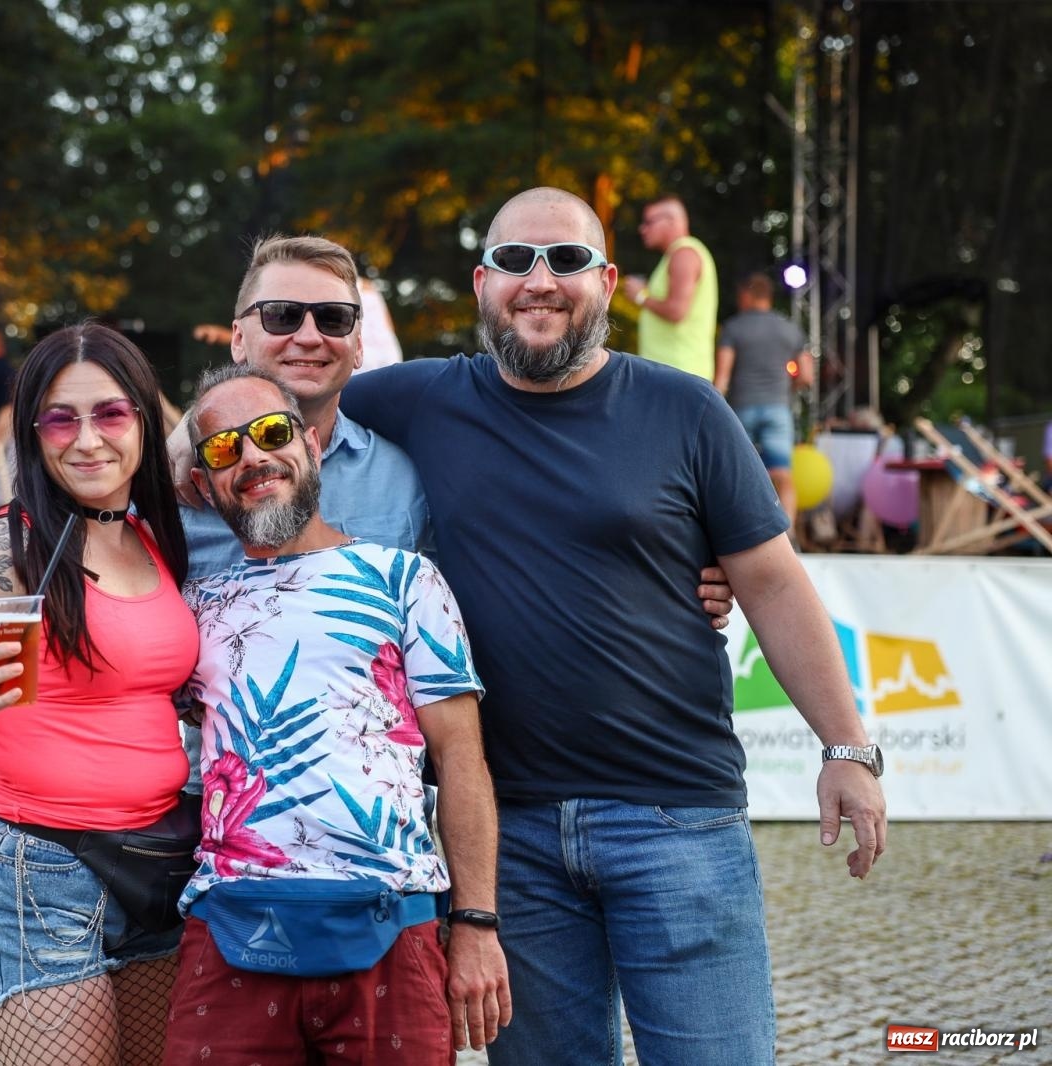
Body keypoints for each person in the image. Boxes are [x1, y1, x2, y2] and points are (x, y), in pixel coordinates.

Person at [340, 187, 888, 1066]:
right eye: (515, 261)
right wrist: (168, 452)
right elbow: (274, 411)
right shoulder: (421, 400)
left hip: (678, 819)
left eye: (566, 260)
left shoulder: (687, 410)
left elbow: (775, 585)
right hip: (509, 835)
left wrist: (847, 747)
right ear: (482, 283)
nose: (539, 281)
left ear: (607, 281)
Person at [161, 364, 509, 1063]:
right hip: (230, 922)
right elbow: (102, 711)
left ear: (313, 446)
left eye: (271, 433)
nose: (253, 457)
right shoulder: (193, 610)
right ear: (203, 482)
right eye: (225, 448)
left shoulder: (405, 579)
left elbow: (461, 757)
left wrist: (475, 922)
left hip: (393, 921)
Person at [0, 321, 193, 1065]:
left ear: (143, 421)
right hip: (37, 869)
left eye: (110, 413)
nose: (87, 440)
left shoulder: (159, 539)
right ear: (33, 433)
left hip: (160, 860)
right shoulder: (5, 547)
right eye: (61, 419)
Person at [176, 234, 433, 578]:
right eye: (282, 316)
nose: (310, 337)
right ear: (238, 339)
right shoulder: (174, 487)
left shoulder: (404, 477)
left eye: (334, 318)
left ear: (358, 346)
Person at [716, 272, 814, 526]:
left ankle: (739, 531)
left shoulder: (734, 327)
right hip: (778, 409)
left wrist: (714, 408)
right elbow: (807, 376)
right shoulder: (789, 329)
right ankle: (789, 534)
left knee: (738, 475)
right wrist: (787, 389)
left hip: (742, 409)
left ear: (746, 296)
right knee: (782, 474)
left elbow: (722, 378)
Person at [619, 193, 719, 381]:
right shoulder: (677, 254)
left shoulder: (684, 254)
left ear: (671, 221)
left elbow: (677, 311)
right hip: (675, 373)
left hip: (679, 373)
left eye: (649, 222)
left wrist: (640, 296)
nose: (642, 229)